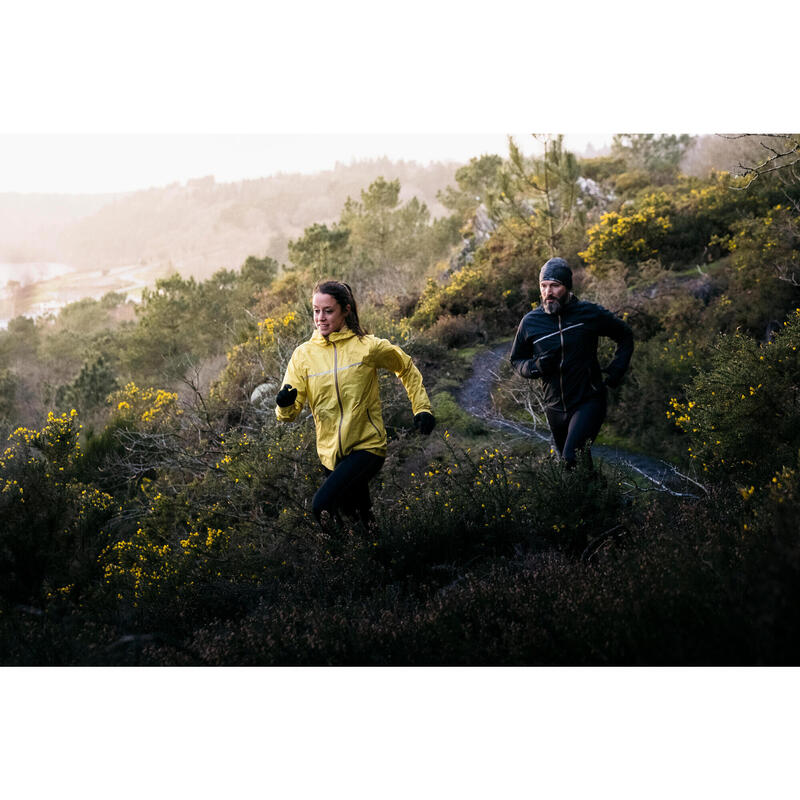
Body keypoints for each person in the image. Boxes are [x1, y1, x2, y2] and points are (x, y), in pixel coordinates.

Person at [275, 280, 436, 530]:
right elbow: (288, 414)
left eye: (328, 311)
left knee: (322, 507)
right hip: (330, 455)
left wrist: (422, 408)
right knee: (358, 518)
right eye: (316, 311)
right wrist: (285, 404)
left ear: (346, 310)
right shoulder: (303, 355)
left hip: (366, 447)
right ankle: (378, 560)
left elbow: (405, 367)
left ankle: (340, 563)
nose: (321, 318)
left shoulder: (367, 347)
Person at [510, 257, 633, 468]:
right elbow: (516, 360)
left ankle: (605, 499)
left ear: (567, 287)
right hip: (554, 407)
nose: (548, 292)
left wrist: (616, 370)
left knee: (571, 459)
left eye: (555, 286)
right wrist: (535, 367)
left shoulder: (588, 313)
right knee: (577, 468)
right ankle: (608, 500)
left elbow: (625, 335)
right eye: (543, 286)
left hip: (588, 401)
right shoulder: (530, 322)